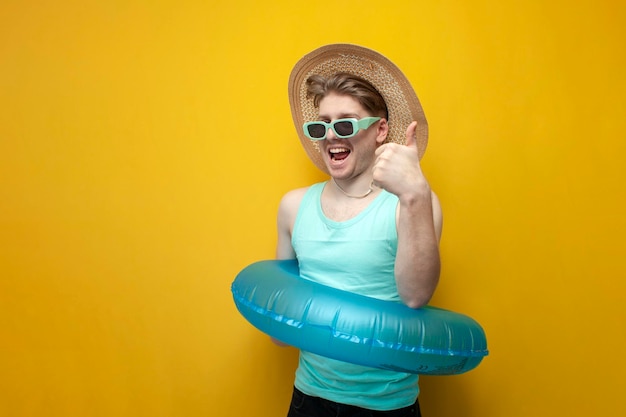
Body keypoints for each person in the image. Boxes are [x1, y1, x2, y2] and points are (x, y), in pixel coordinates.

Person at [275, 44, 443, 417]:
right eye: (321, 125)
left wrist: (415, 194)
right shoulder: (292, 207)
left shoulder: (414, 204)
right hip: (308, 398)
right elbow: (279, 326)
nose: (331, 136)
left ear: (380, 130)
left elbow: (416, 296)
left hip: (386, 405)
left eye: (346, 123)